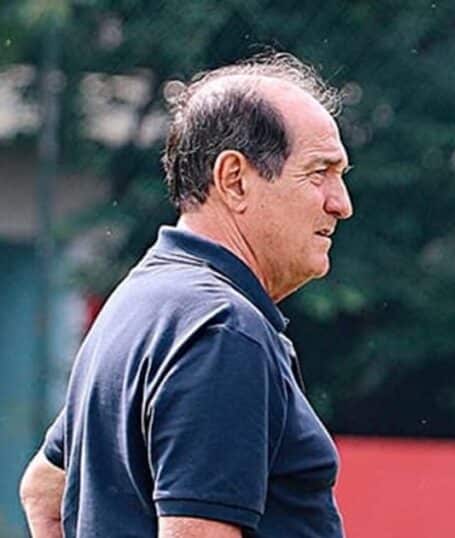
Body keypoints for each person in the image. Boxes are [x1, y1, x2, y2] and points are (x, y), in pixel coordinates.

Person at [19, 52, 354, 537]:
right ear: (234, 180)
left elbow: (44, 488)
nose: (340, 203)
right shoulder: (223, 329)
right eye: (318, 173)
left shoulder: (140, 299)